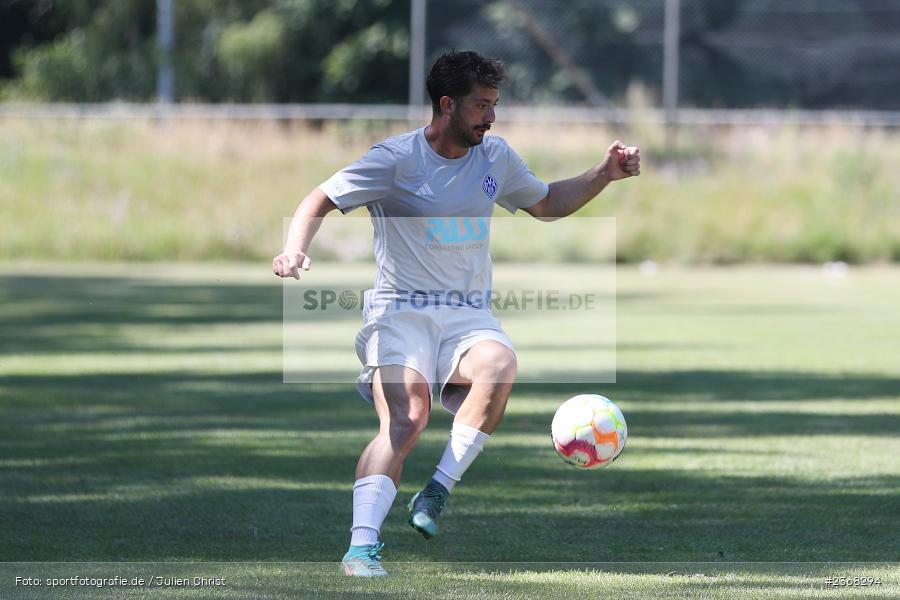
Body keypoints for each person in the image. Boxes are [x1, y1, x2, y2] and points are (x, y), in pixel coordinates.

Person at [273, 50, 640, 577]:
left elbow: (547, 203)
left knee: (499, 365)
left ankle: (436, 492)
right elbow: (319, 199)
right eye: (482, 105)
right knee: (407, 421)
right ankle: (360, 547)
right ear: (447, 105)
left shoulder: (496, 158)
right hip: (399, 314)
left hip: (467, 315)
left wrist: (603, 174)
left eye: (494, 105)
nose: (491, 117)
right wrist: (295, 248)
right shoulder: (395, 159)